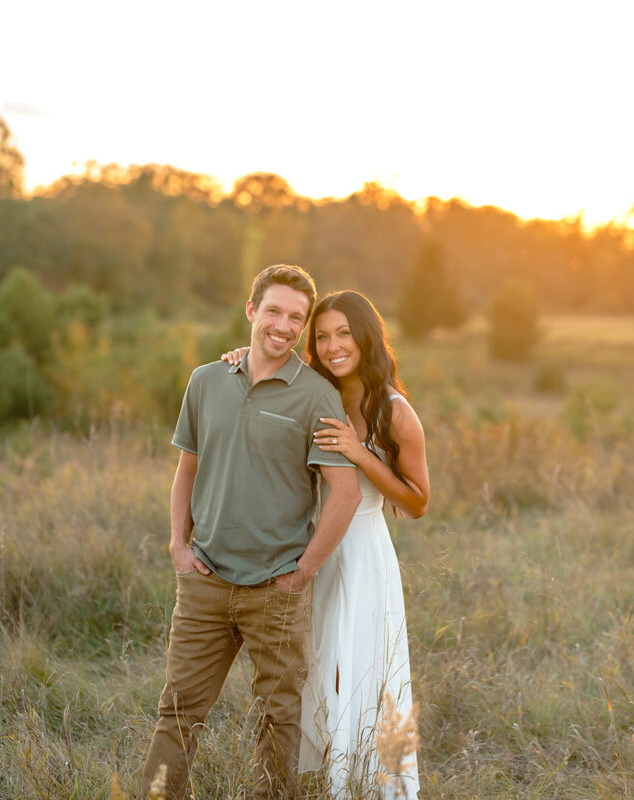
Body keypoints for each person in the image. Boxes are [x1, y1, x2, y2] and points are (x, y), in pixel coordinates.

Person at [142, 265, 362, 800]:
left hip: (277, 589)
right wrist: (177, 544)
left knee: (279, 719)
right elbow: (187, 469)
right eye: (274, 311)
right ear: (251, 310)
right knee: (178, 710)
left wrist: (304, 571)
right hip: (206, 580)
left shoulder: (316, 397)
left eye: (296, 317)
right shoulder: (207, 380)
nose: (283, 326)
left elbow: (346, 491)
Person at [223, 289, 430, 798]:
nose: (333, 345)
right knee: (312, 663)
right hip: (309, 546)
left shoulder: (395, 411)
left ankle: (365, 781)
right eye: (322, 336)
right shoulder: (314, 392)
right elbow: (265, 373)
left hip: (361, 553)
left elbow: (420, 501)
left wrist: (362, 456)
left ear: (365, 339)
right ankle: (317, 775)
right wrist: (239, 359)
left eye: (344, 334)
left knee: (360, 666)